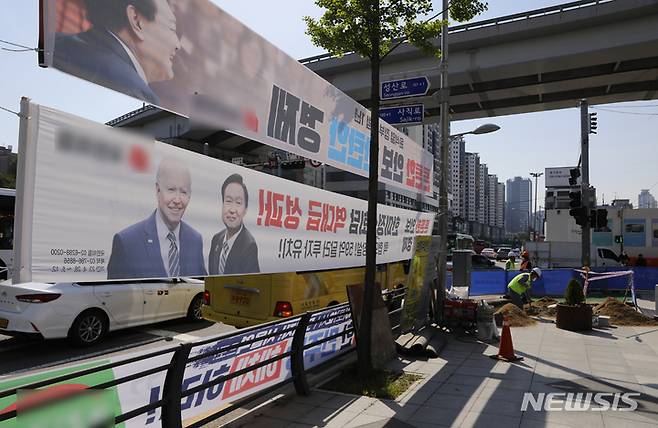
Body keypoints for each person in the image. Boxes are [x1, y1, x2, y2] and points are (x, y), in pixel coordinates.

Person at [53, 0, 181, 104]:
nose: (178, 45)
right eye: (172, 28)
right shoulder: (136, 95)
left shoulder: (55, 43)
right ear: (136, 20)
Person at [107, 158, 206, 279]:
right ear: (158, 190)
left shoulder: (195, 240)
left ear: (190, 195)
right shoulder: (127, 242)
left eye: (183, 192)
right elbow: (116, 293)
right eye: (171, 190)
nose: (177, 200)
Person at [208, 174, 260, 275]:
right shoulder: (216, 239)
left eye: (238, 202)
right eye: (228, 201)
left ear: (245, 210)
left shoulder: (249, 246)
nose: (232, 210)